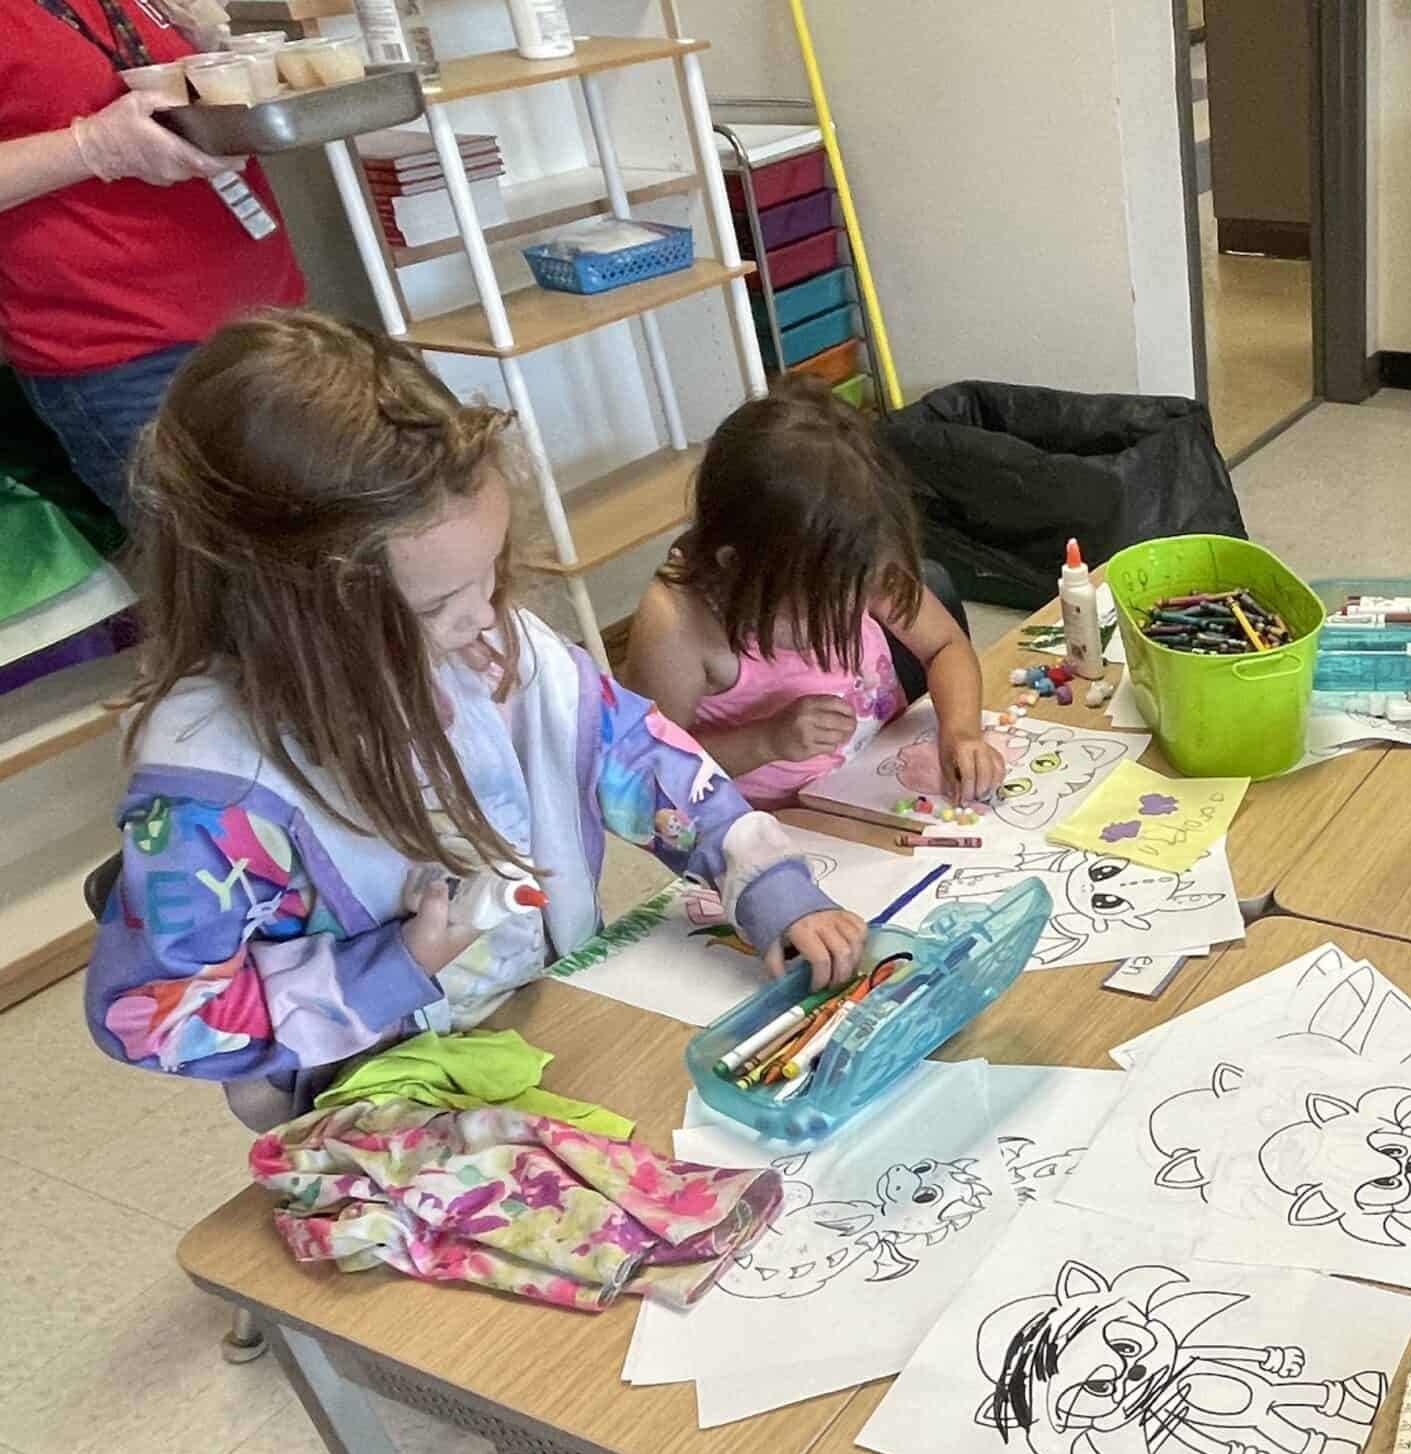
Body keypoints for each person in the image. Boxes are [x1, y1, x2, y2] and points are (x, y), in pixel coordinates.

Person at [83, 310, 867, 1126]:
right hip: (382, 1107)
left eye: (490, 573)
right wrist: (397, 962)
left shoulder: (483, 635)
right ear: (296, 617)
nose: (484, 617)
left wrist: (767, 883)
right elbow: (154, 1011)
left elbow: (636, 753)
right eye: (440, 603)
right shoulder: (218, 793)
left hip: (553, 1018)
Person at [623, 380, 1004, 808]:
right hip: (775, 824)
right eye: (821, 603)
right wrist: (766, 741)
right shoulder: (678, 621)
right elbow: (647, 768)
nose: (853, 609)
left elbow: (944, 645)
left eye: (863, 591)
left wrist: (961, 732)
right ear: (737, 564)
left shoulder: (851, 553)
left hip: (878, 784)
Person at [1, 0, 301, 522]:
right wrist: (93, 146)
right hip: (127, 358)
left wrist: (213, 58)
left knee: (347, 560)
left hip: (270, 319)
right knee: (236, 589)